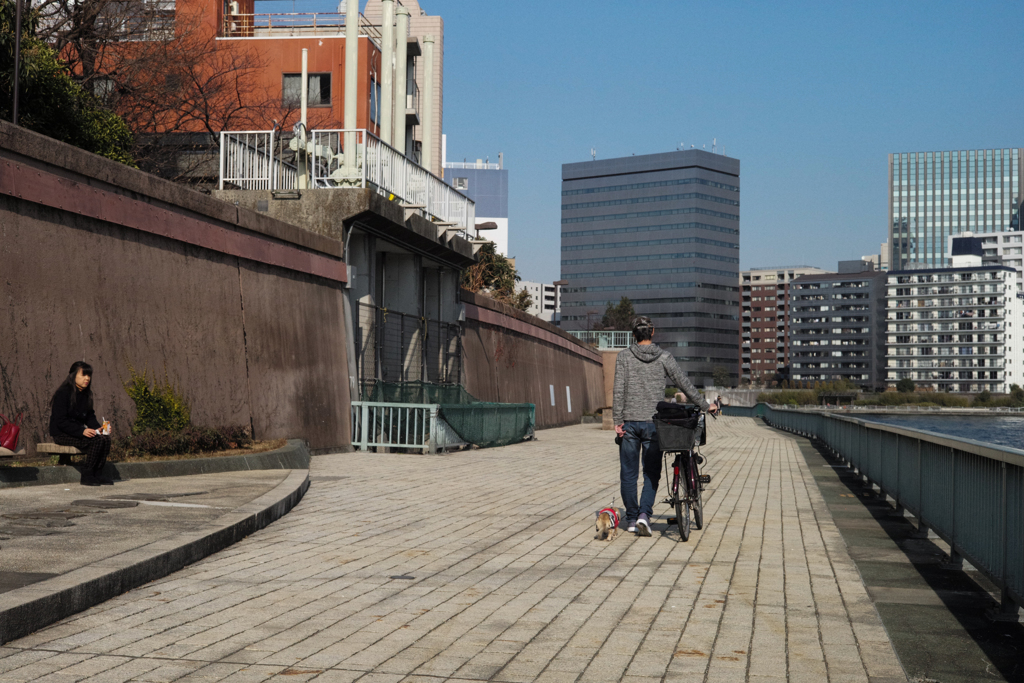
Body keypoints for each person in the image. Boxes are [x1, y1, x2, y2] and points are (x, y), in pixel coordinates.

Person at [612, 316, 717, 536]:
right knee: (651, 473)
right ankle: (644, 516)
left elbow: (618, 390)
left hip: (629, 424)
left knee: (628, 474)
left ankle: (631, 518)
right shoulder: (664, 357)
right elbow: (684, 383)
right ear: (652, 332)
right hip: (654, 425)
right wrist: (706, 406)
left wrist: (617, 420)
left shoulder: (624, 357)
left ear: (633, 335)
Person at [49, 361, 112, 486]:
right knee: (97, 441)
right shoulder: (63, 393)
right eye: (83, 375)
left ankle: (97, 473)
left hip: (77, 431)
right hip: (62, 433)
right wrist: (81, 431)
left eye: (89, 375)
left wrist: (99, 429)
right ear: (73, 375)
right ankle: (87, 474)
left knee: (105, 438)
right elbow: (60, 421)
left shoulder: (86, 394)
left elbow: (89, 416)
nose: (87, 378)